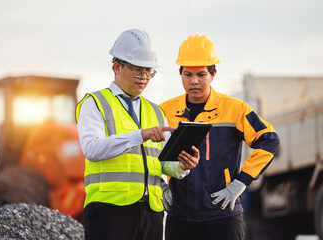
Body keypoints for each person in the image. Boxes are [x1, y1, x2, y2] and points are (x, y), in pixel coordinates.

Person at [75, 29, 199, 240]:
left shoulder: (156, 111)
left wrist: (182, 166)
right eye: (138, 71)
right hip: (109, 209)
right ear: (117, 67)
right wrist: (141, 134)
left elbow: (160, 163)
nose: (144, 78)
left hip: (151, 211)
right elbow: (92, 149)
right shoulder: (94, 103)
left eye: (149, 72)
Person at [159, 34, 280, 240]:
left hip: (223, 213)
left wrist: (240, 182)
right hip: (180, 216)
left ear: (213, 74)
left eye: (201, 74)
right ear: (180, 73)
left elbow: (269, 140)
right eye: (188, 74)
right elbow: (146, 154)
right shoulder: (164, 111)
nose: (194, 81)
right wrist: (159, 185)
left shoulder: (235, 109)